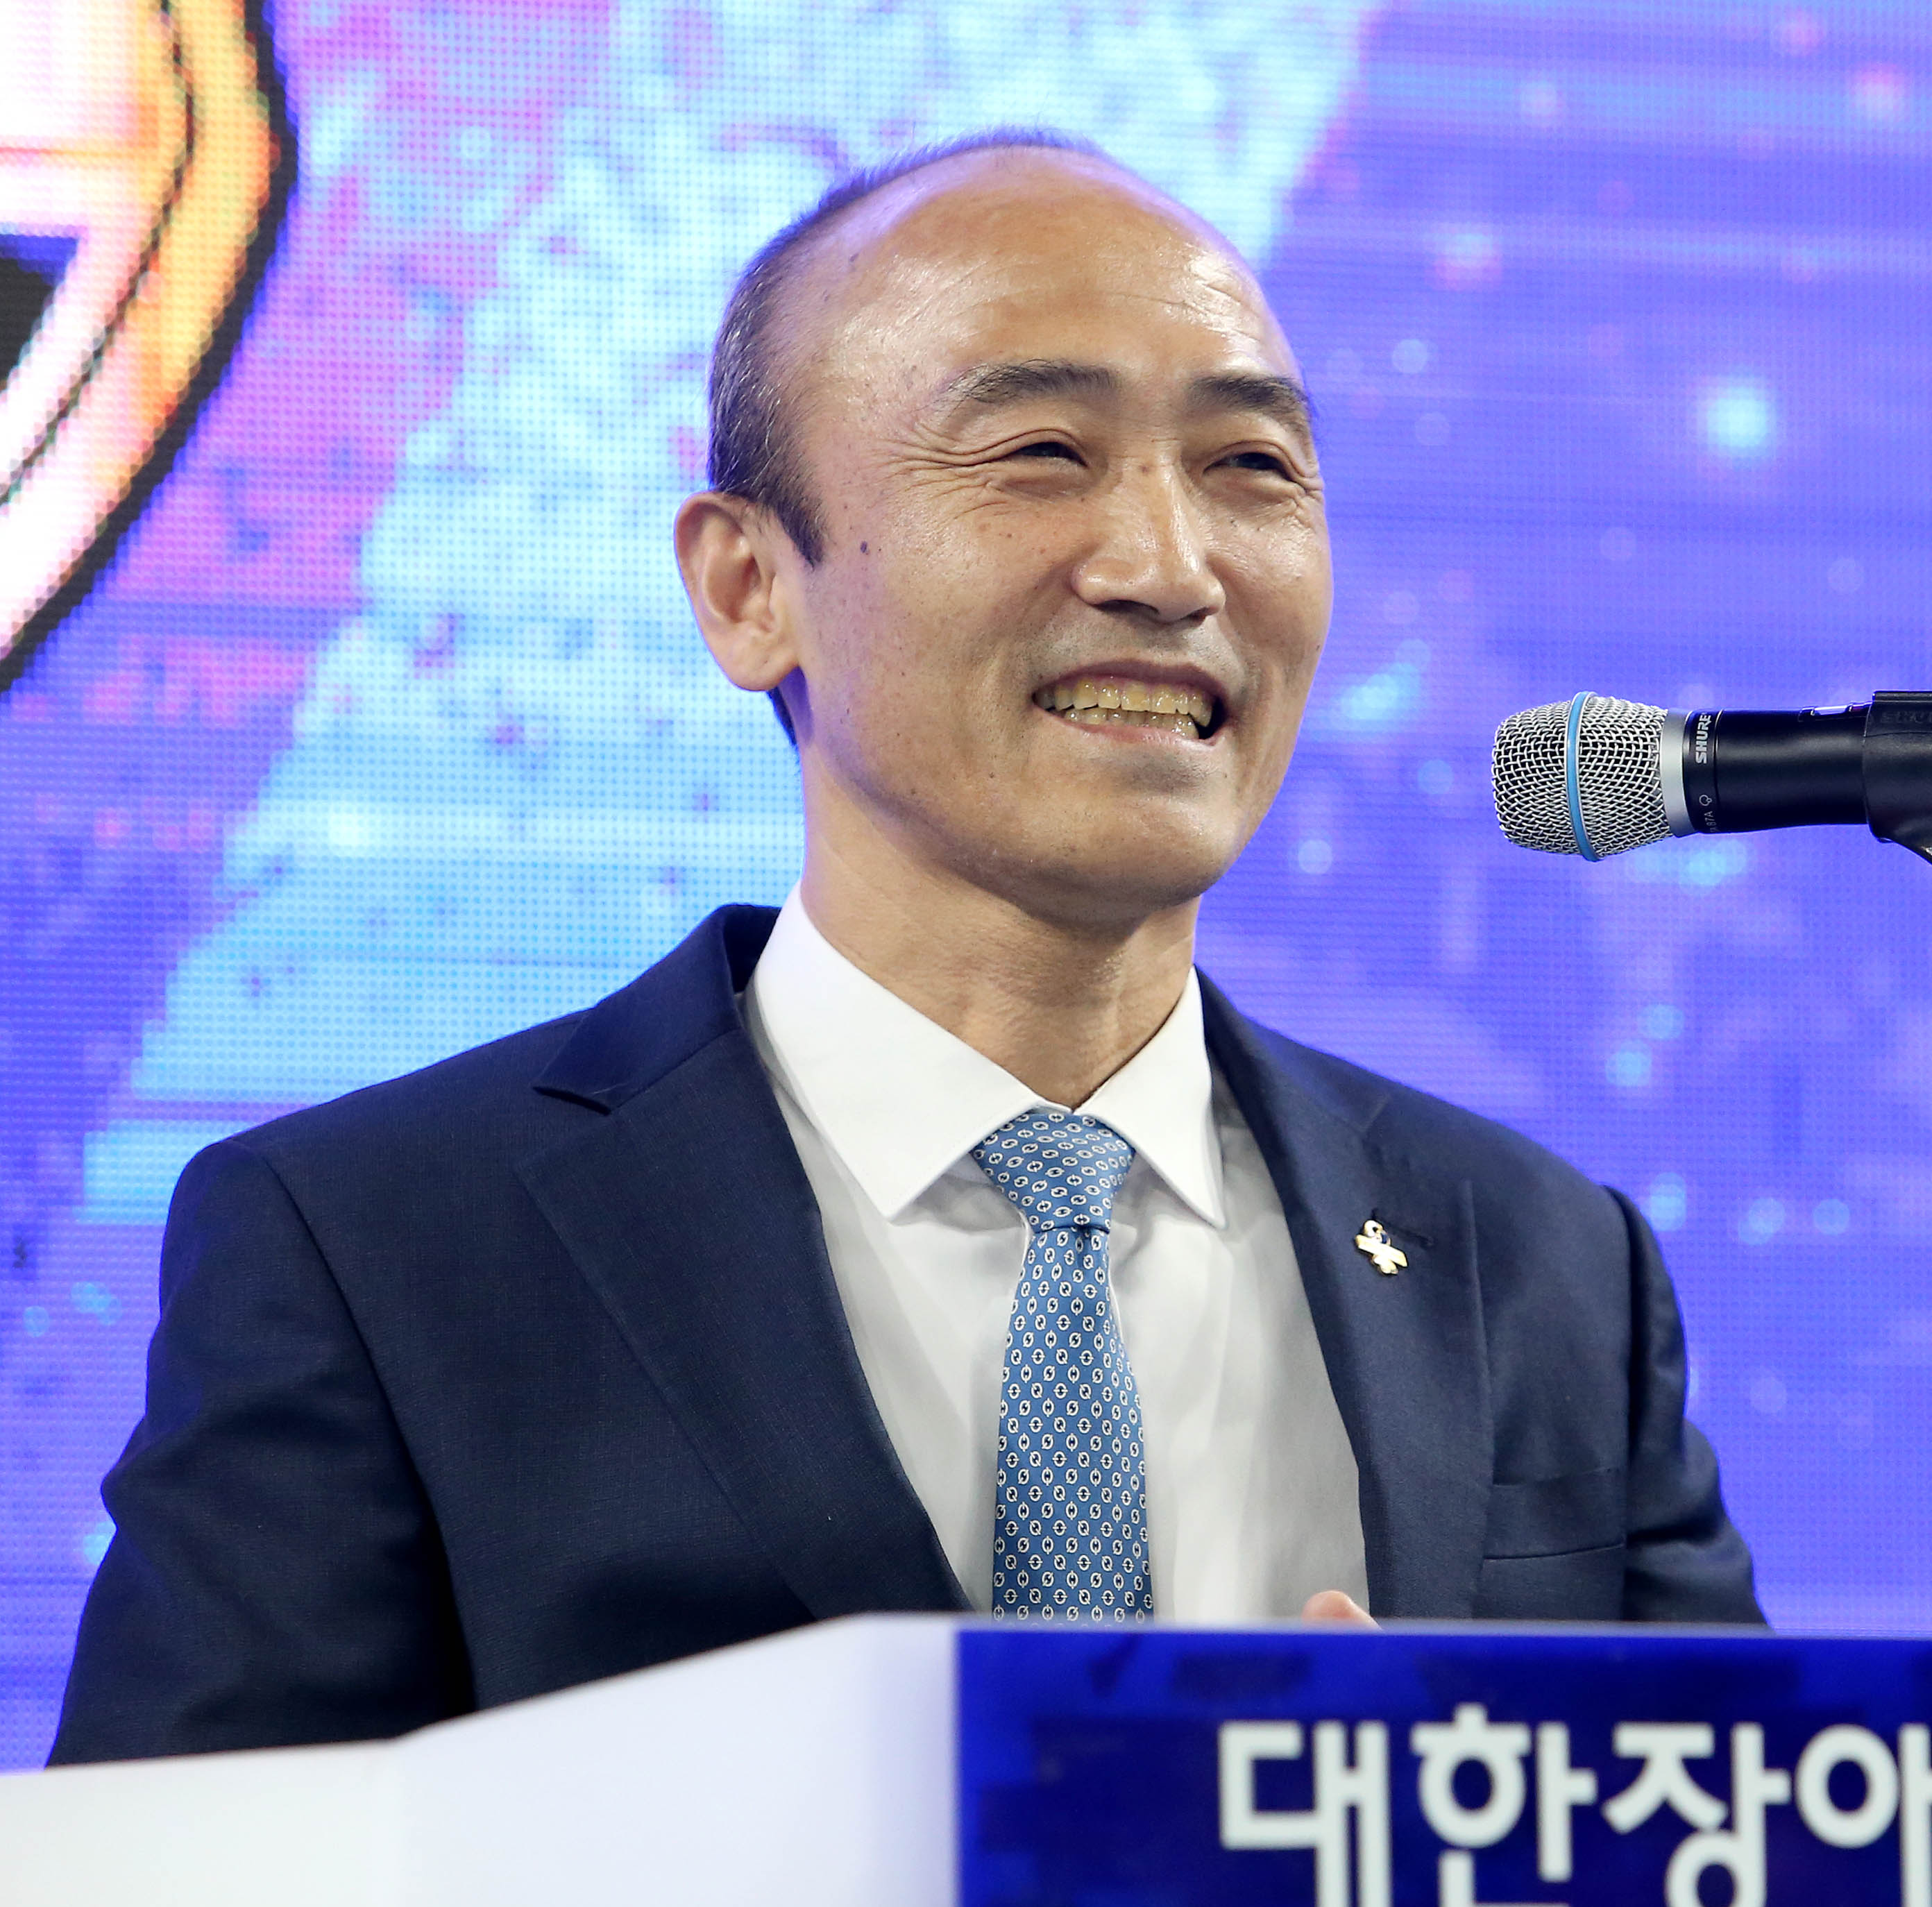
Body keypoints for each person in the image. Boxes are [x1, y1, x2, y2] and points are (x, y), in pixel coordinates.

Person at [51, 131, 1759, 1765]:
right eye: (1041, 454)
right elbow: (174, 1905)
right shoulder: (380, 1251)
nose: (1170, 566)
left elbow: (1760, 1890)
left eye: (1251, 467)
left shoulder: (1539, 1265)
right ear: (746, 587)